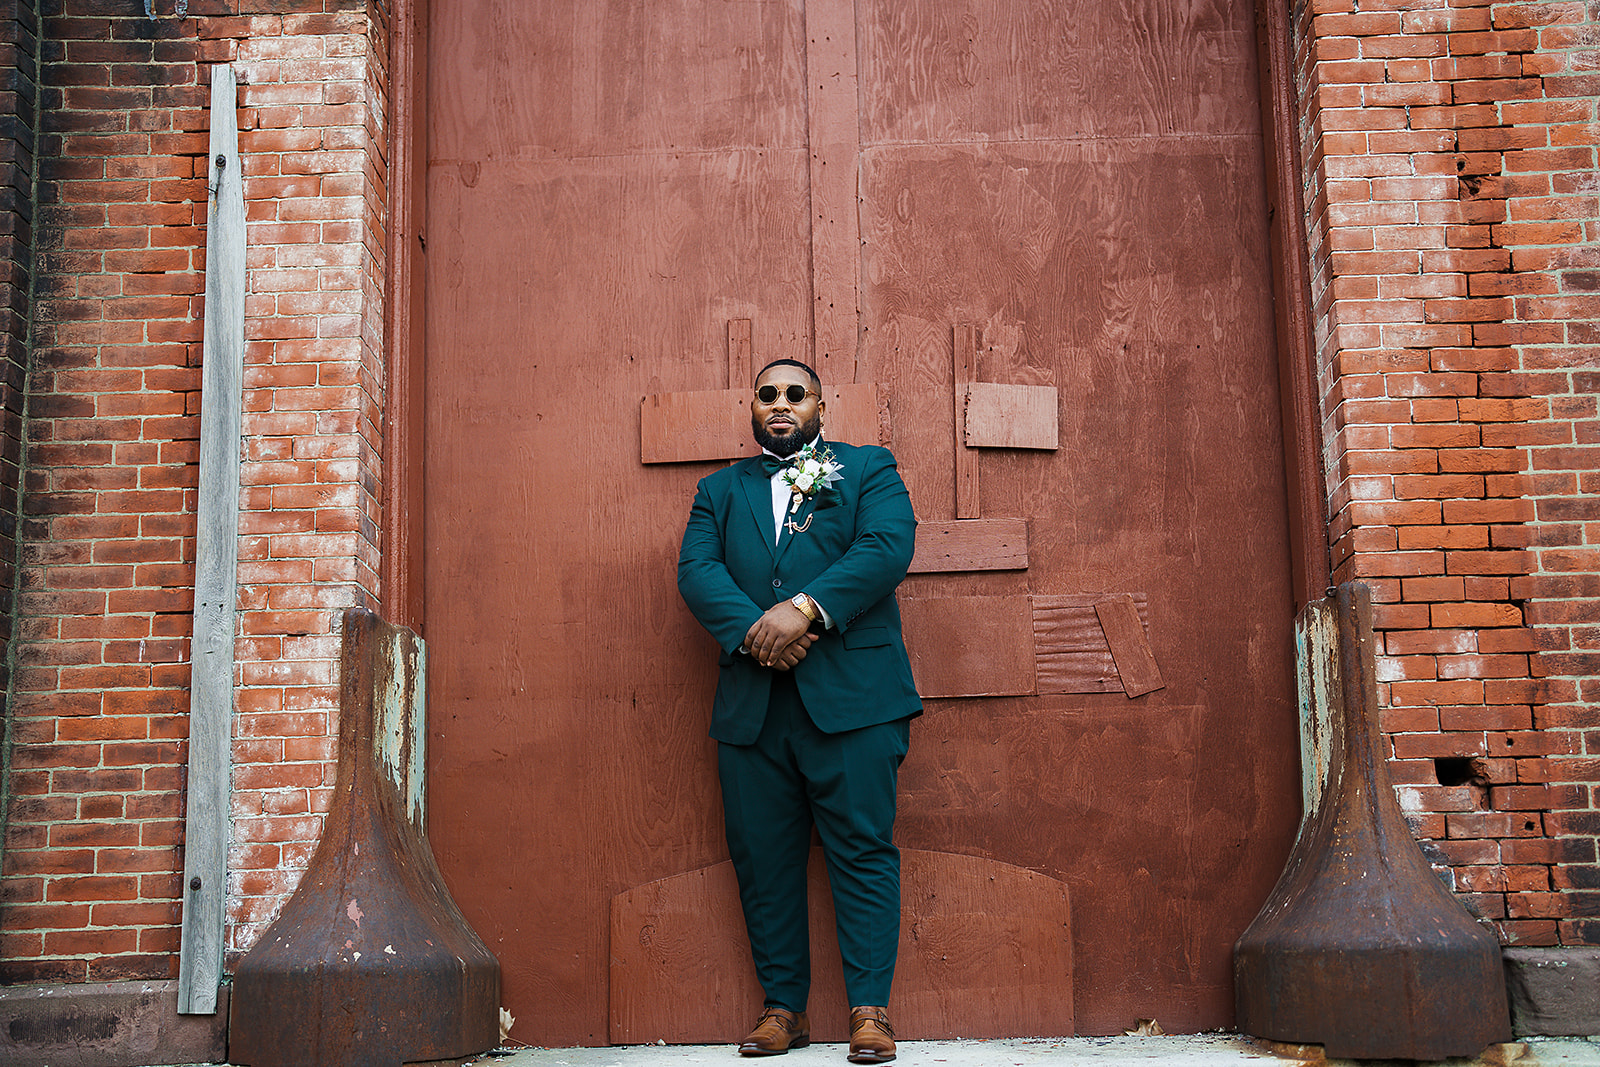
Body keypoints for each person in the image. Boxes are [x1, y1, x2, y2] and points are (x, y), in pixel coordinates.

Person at [677, 358, 921, 1063]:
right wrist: (761, 635)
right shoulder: (719, 490)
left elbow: (886, 547)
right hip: (754, 707)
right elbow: (697, 571)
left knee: (863, 849)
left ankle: (870, 1011)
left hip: (855, 703)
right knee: (763, 860)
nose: (780, 403)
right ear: (752, 407)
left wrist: (804, 610)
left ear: (819, 404)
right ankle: (783, 1009)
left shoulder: (868, 468)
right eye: (767, 394)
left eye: (795, 393)